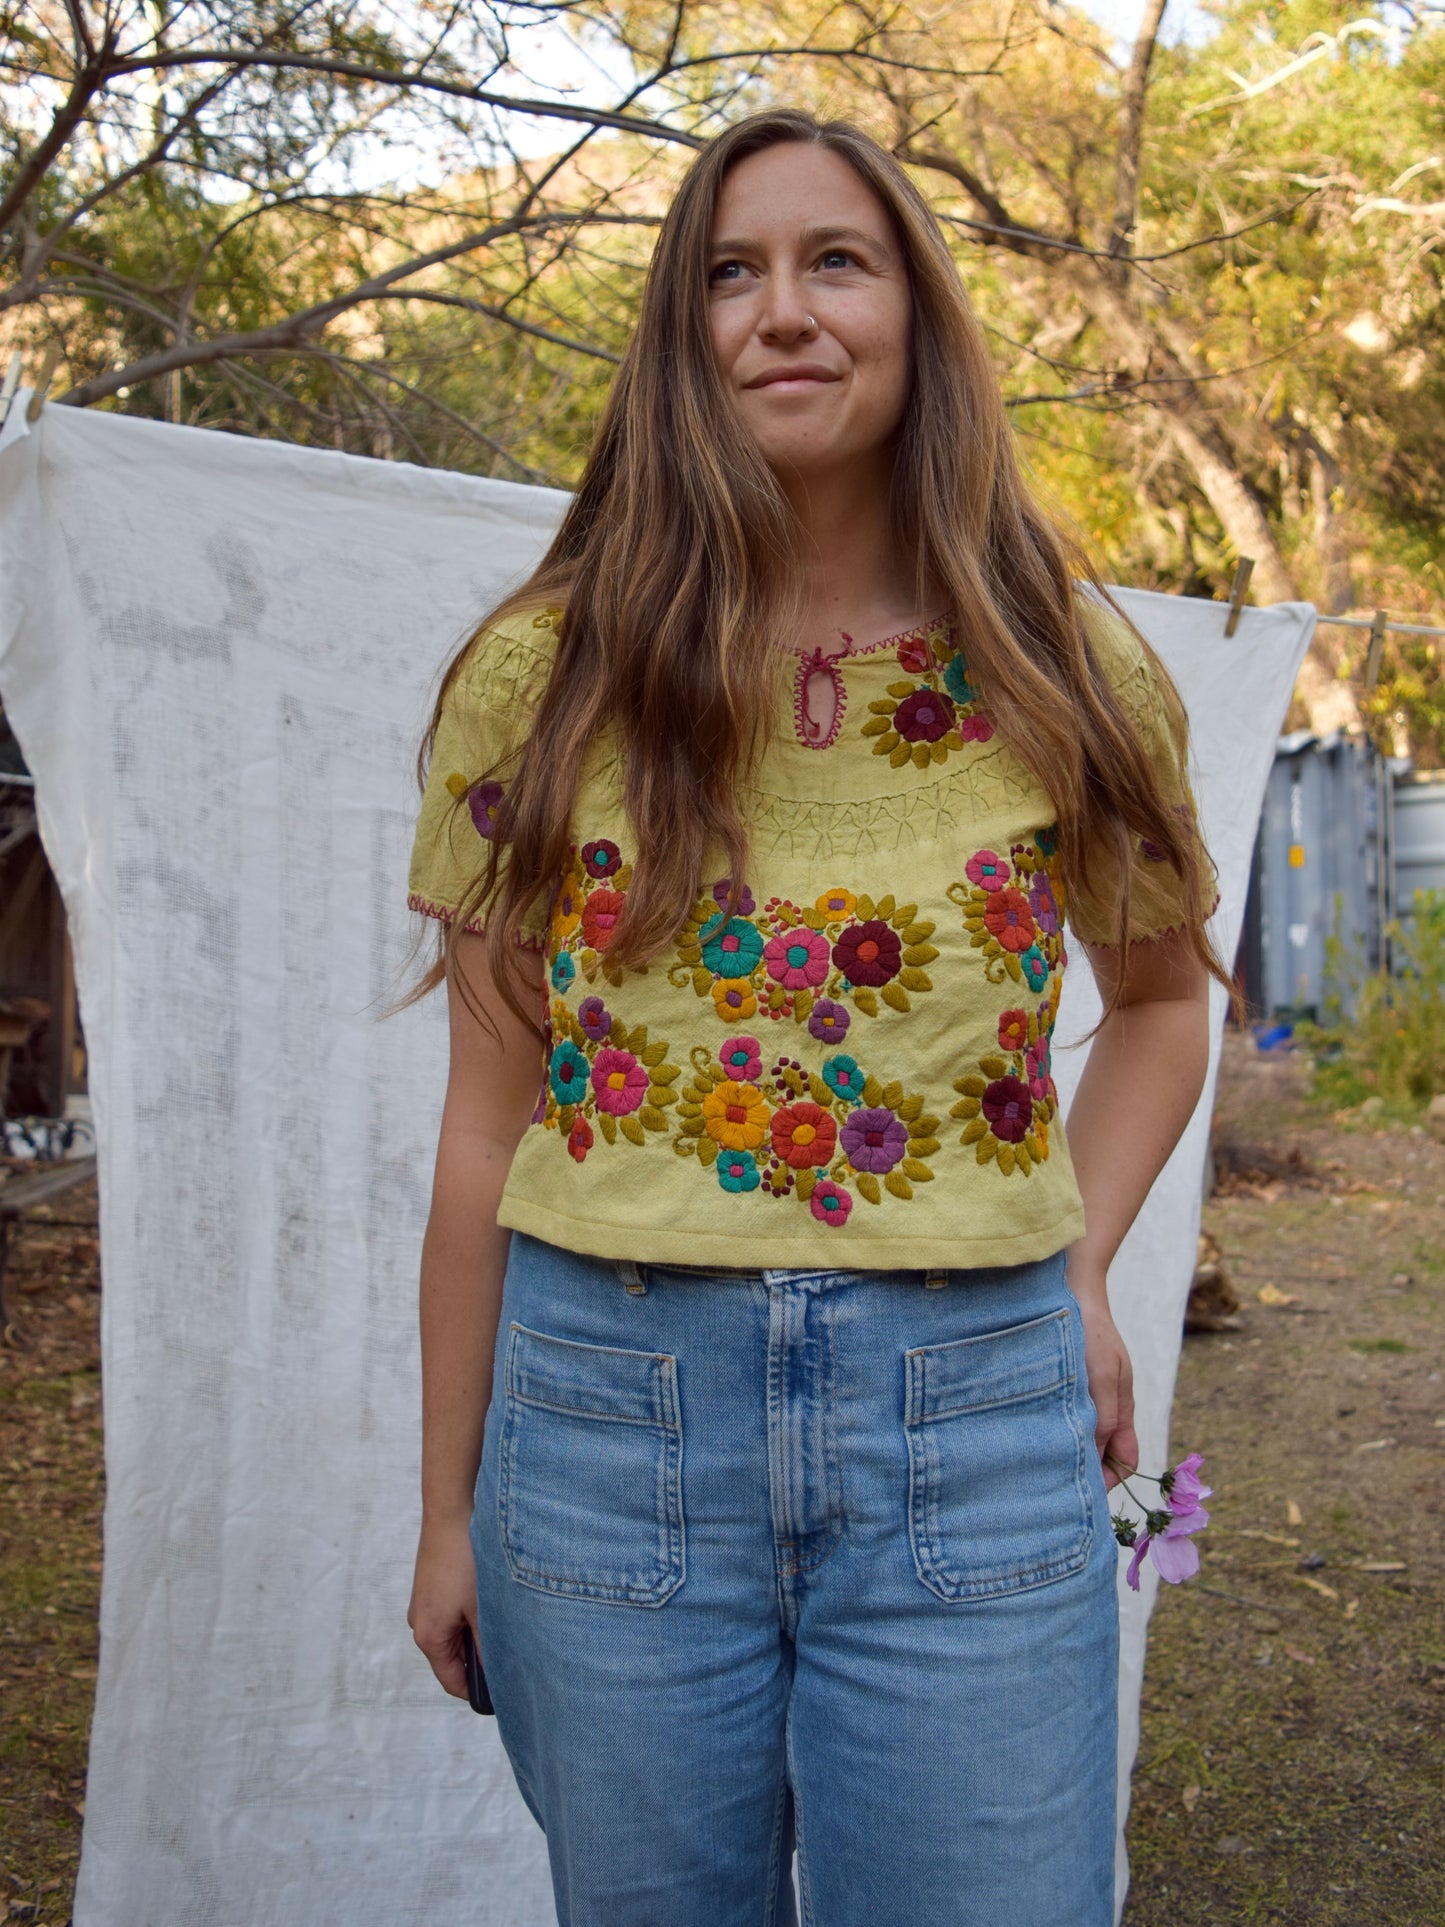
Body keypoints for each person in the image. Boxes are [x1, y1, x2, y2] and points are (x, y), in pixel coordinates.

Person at [404, 108, 1222, 1927]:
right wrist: (446, 1506)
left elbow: (1163, 1003)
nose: (780, 310)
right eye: (727, 271)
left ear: (917, 318)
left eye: (832, 261)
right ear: (679, 338)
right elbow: (483, 1123)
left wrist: (1079, 1270)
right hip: (601, 1425)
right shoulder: (545, 679)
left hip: (979, 1412)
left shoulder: (1065, 669)